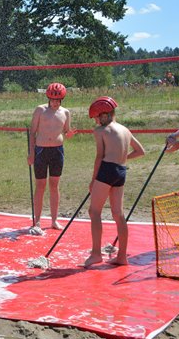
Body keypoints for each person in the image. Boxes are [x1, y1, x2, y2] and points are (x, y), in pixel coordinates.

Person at [84, 97, 145, 267]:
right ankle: (122, 256)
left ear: (104, 115)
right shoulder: (125, 130)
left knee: (94, 211)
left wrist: (93, 180)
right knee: (118, 214)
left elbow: (99, 157)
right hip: (121, 171)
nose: (96, 121)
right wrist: (121, 157)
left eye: (96, 117)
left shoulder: (101, 131)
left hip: (107, 170)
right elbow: (140, 151)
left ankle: (96, 254)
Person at [27, 82, 75, 230]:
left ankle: (54, 220)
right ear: (48, 98)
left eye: (58, 100)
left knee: (54, 185)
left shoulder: (65, 112)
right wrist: (31, 153)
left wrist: (69, 134)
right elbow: (32, 132)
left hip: (57, 151)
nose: (55, 103)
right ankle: (37, 221)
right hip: (41, 151)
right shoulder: (40, 110)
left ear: (61, 99)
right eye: (53, 100)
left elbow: (66, 131)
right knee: (40, 185)